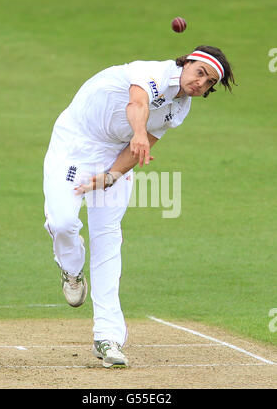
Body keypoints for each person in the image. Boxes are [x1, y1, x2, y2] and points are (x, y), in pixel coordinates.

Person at [43, 45, 235, 368]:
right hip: (74, 145)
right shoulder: (152, 73)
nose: (201, 83)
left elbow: (141, 148)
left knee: (107, 238)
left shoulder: (181, 108)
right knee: (62, 223)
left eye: (209, 82)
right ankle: (71, 269)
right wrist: (139, 133)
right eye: (200, 72)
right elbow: (137, 103)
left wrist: (110, 176)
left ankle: (108, 337)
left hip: (115, 153)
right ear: (186, 62)